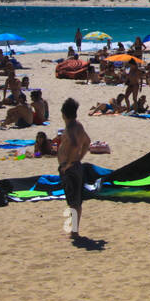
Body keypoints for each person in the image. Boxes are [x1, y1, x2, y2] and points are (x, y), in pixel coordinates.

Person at [57, 98, 91, 242]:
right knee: (76, 200)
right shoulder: (78, 126)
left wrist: (68, 163)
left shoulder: (71, 128)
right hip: (76, 166)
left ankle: (75, 232)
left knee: (73, 202)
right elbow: (87, 142)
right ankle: (74, 230)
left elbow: (75, 144)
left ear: (64, 114)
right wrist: (79, 158)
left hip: (70, 168)